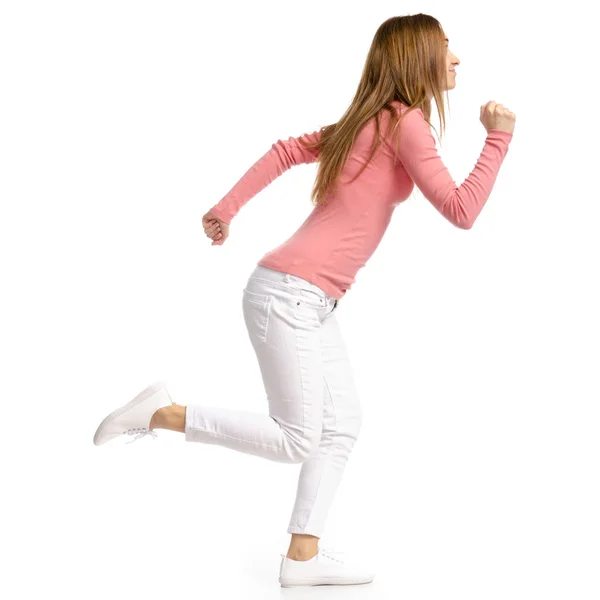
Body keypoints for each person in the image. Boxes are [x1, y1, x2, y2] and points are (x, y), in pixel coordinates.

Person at [92, 13, 515, 588]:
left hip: (306, 300)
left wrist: (225, 208)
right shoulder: (406, 124)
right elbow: (463, 211)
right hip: (288, 296)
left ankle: (303, 557)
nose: (458, 59)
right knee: (298, 438)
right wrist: (498, 136)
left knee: (341, 425)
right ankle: (162, 414)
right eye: (447, 48)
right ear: (419, 56)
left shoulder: (375, 120)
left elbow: (287, 150)